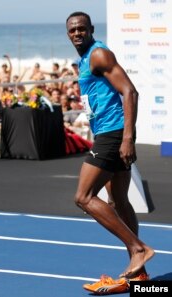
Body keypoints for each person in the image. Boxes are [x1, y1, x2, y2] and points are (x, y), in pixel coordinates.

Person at [66, 11, 154, 283]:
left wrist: (128, 138)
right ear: (68, 34)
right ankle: (139, 275)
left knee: (83, 197)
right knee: (119, 201)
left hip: (113, 134)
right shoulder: (85, 59)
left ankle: (138, 248)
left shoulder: (98, 55)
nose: (77, 33)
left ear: (91, 28)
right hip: (108, 132)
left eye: (82, 28)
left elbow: (130, 91)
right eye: (72, 30)